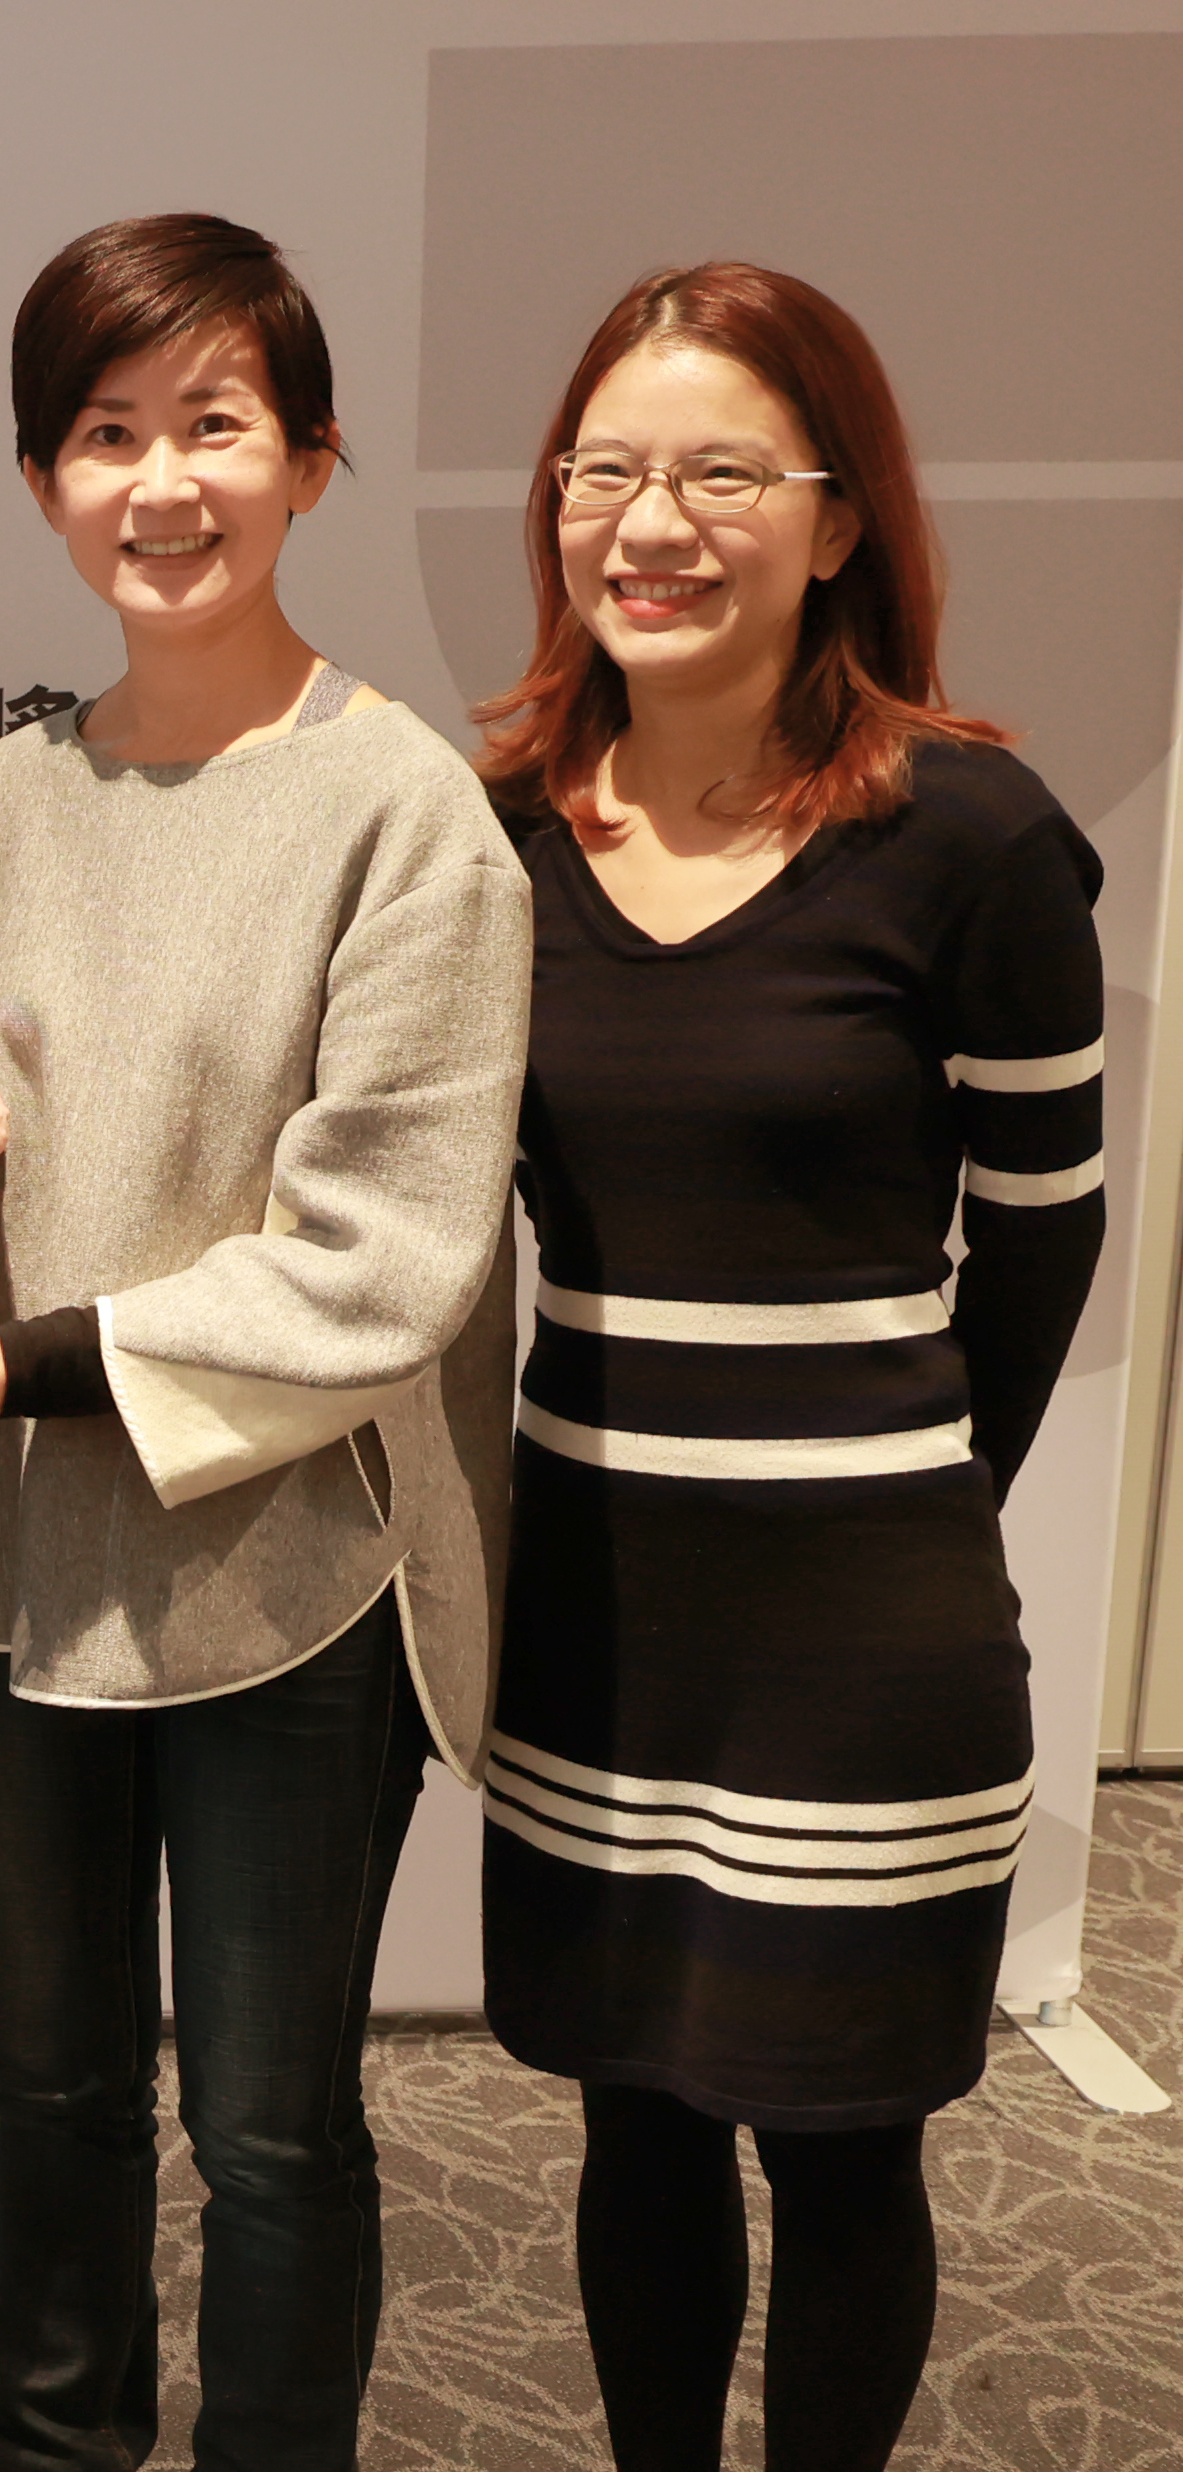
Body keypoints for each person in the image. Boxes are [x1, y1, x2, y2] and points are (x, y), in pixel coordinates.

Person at [0, 214, 529, 2470]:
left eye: (212, 426)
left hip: (287, 1579)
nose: (159, 484)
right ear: (43, 477)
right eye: (104, 433)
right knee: (46, 2091)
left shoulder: (406, 813)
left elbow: (385, 1255)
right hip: (11, 1566)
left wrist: (28, 1361)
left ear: (308, 461)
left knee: (268, 2128)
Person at [467, 263, 1103, 2472]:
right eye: (606, 471)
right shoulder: (499, 826)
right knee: (631, 2122)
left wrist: (901, 1500)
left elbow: (1043, 1239)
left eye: (722, 475)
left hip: (865, 1645)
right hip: (593, 1615)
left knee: (843, 2147)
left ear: (836, 521)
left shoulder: (971, 837)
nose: (652, 522)